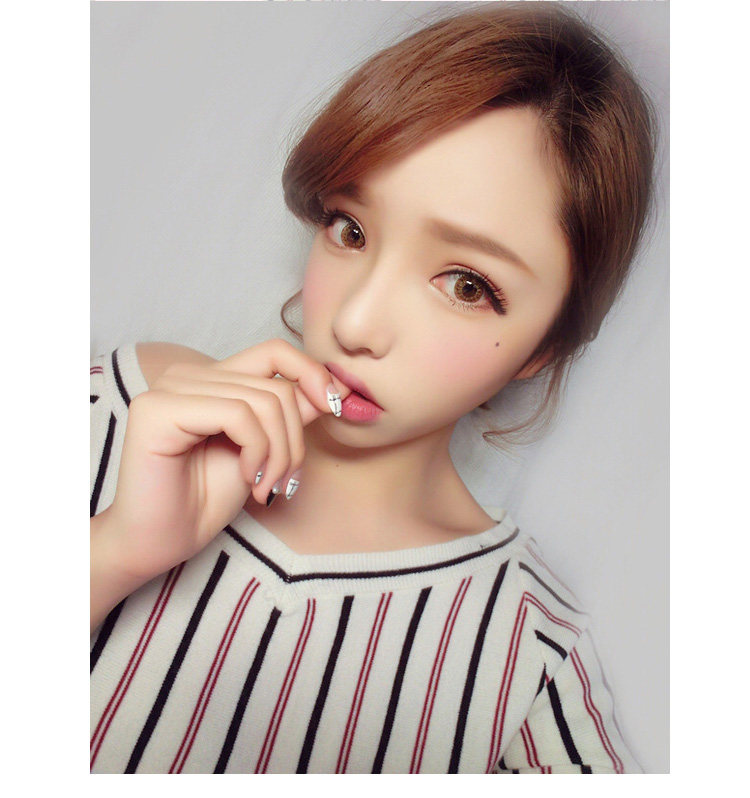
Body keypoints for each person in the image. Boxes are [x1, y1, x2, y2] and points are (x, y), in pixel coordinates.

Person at [90, 2, 656, 774]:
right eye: (350, 229)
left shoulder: (527, 661)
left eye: (466, 284)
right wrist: (115, 552)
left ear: (545, 347)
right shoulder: (113, 410)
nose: (354, 323)